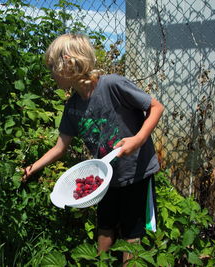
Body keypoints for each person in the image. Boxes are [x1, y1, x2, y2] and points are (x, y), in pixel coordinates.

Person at [22, 33, 164, 265]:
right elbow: (60, 147)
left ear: (68, 62)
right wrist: (32, 168)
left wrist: (137, 140)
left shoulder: (112, 85)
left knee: (132, 231)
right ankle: (101, 262)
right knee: (105, 226)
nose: (51, 74)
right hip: (105, 177)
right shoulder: (73, 106)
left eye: (52, 67)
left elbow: (156, 107)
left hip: (135, 171)